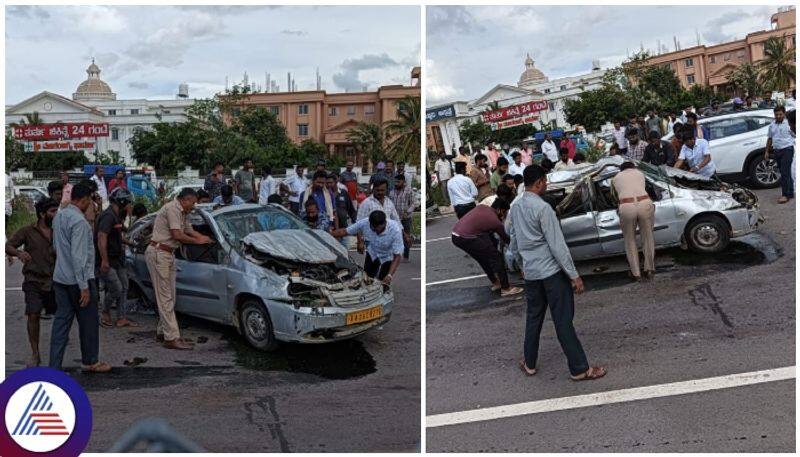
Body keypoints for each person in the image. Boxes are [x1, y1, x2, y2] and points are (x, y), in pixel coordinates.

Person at [509, 165, 605, 381]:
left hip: (532, 273)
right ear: (540, 182)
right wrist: (574, 275)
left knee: (534, 318)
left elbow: (514, 241)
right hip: (551, 273)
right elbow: (557, 245)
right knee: (562, 321)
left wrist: (521, 264)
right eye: (545, 181)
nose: (547, 185)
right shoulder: (543, 209)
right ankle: (580, 368)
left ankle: (530, 363)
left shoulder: (516, 207)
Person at [49, 184, 111, 372]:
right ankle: (90, 360)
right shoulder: (79, 222)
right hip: (79, 280)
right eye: (90, 200)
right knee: (88, 323)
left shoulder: (59, 216)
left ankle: (54, 366)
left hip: (60, 278)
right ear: (84, 199)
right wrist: (84, 287)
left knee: (61, 324)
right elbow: (79, 257)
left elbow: (55, 247)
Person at [146, 188, 213, 350]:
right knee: (165, 297)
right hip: (159, 252)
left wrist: (204, 238)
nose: (194, 206)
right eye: (193, 202)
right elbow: (177, 235)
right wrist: (198, 242)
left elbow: (188, 230)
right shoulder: (173, 209)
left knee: (170, 297)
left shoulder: (182, 212)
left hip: (167, 254)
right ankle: (171, 338)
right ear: (186, 199)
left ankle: (163, 332)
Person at [6, 198, 59, 367]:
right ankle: (35, 353)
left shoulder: (59, 230)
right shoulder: (28, 231)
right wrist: (19, 254)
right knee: (33, 314)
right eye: (52, 211)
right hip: (33, 280)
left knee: (62, 316)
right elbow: (8, 245)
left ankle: (58, 352)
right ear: (42, 214)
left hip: (56, 280)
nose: (56, 214)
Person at [451, 199, 522, 297]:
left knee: (483, 258)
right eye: (504, 212)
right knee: (496, 257)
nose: (504, 216)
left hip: (456, 235)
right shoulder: (494, 220)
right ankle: (506, 288)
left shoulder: (483, 207)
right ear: (499, 210)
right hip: (467, 237)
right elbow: (506, 239)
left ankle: (496, 283)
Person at [96, 188, 138, 329]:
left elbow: (117, 236)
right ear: (122, 201)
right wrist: (104, 260)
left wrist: (130, 243)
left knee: (124, 287)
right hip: (108, 259)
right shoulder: (108, 216)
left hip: (118, 259)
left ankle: (121, 317)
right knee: (116, 288)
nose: (129, 205)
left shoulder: (116, 216)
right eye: (128, 202)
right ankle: (105, 312)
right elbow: (102, 237)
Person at [330, 210, 403, 284]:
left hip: (388, 256)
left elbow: (397, 256)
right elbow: (344, 232)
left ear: (385, 224)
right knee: (366, 279)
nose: (377, 232)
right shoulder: (364, 223)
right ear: (370, 223)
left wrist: (390, 275)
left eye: (379, 230)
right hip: (373, 253)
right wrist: (325, 234)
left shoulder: (395, 230)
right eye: (373, 229)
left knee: (383, 281)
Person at [612, 162, 655, 281]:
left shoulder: (615, 178)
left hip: (626, 205)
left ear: (621, 170)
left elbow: (614, 196)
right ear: (633, 167)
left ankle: (636, 273)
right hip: (644, 202)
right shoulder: (640, 173)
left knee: (630, 240)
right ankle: (649, 269)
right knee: (648, 237)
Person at [766, 105, 795, 203]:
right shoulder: (772, 125)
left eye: (780, 114)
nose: (778, 116)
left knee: (784, 172)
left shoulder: (789, 124)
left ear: (784, 113)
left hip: (787, 149)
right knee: (785, 172)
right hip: (777, 151)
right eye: (776, 114)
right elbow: (770, 138)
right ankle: (790, 192)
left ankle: (785, 195)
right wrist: (766, 151)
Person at [389, 174, 415, 261]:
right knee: (395, 237)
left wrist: (407, 212)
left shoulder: (409, 191)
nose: (396, 183)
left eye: (398, 182)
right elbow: (389, 205)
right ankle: (396, 255)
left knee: (406, 237)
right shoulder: (391, 192)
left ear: (403, 182)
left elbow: (413, 203)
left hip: (406, 218)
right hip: (394, 219)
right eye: (395, 182)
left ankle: (406, 256)